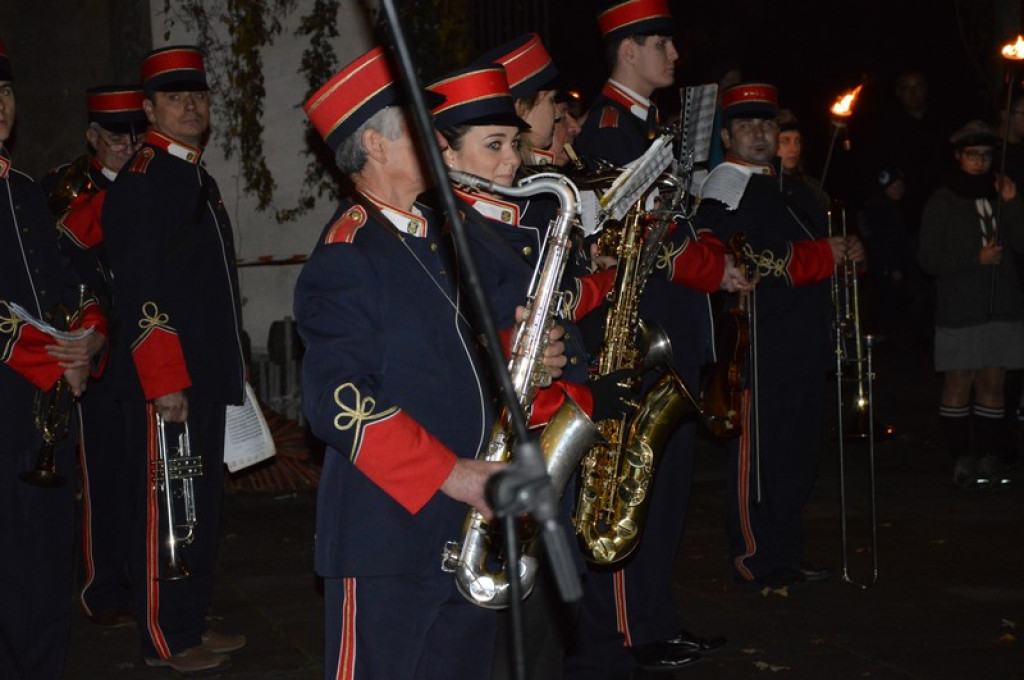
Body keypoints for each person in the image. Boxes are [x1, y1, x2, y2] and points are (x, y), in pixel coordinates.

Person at [296, 46, 514, 680]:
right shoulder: (348, 253)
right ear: (375, 144)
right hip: (386, 539)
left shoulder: (435, 237)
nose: (440, 139)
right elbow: (335, 401)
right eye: (419, 124)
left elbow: (439, 355)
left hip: (465, 530)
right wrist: (454, 474)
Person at [426, 62, 634, 680]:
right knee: (508, 633)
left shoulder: (508, 218)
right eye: (493, 146)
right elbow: (452, 336)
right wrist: (528, 354)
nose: (511, 161)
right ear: (444, 150)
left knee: (541, 627)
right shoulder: (443, 230)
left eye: (514, 143)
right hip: (490, 448)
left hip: (542, 434)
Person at [566, 2, 742, 677]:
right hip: (638, 335)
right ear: (628, 51)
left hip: (672, 329)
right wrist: (716, 267)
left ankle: (654, 621)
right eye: (661, 42)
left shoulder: (647, 128)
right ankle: (624, 630)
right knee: (627, 490)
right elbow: (646, 242)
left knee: (663, 494)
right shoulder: (611, 131)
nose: (673, 54)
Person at [101, 45, 247, 674]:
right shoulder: (144, 182)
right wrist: (165, 381)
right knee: (165, 509)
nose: (192, 105)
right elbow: (139, 290)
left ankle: (188, 621)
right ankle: (162, 637)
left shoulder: (193, 175)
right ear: (149, 107)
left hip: (205, 374)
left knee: (198, 507)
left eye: (199, 95)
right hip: (172, 380)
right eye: (176, 97)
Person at [695, 82, 865, 588]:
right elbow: (737, 257)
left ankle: (787, 553)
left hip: (804, 339)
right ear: (727, 134)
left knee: (797, 455)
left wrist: (850, 248)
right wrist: (822, 257)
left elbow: (822, 245)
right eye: (746, 125)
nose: (759, 134)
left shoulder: (790, 187)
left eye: (766, 125)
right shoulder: (726, 185)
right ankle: (755, 556)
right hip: (759, 343)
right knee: (760, 458)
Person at [0, 38, 108, 679]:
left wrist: (90, 334)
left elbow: (70, 281)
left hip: (43, 414)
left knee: (44, 573)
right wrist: (56, 355)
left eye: (6, 92)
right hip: (10, 407)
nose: (1, 105)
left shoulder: (22, 190)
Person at [42, 84, 147, 630]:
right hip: (95, 349)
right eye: (113, 138)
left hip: (145, 347)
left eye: (134, 135)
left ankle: (143, 578)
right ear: (92, 137)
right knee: (103, 473)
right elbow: (65, 271)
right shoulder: (65, 189)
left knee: (142, 472)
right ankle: (103, 589)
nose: (126, 147)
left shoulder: (152, 183)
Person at [917, 120, 1024, 489]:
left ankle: (991, 458)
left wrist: (1012, 202)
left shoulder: (1001, 193)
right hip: (961, 308)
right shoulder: (942, 200)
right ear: (959, 156)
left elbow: (1022, 242)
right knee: (959, 381)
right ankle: (963, 457)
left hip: (1002, 305)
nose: (980, 162)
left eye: (986, 155)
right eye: (973, 155)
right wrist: (973, 257)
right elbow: (928, 258)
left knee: (994, 382)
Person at [776, 108, 829, 209]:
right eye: (785, 141)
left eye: (797, 141)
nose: (794, 149)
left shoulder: (812, 187)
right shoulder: (761, 185)